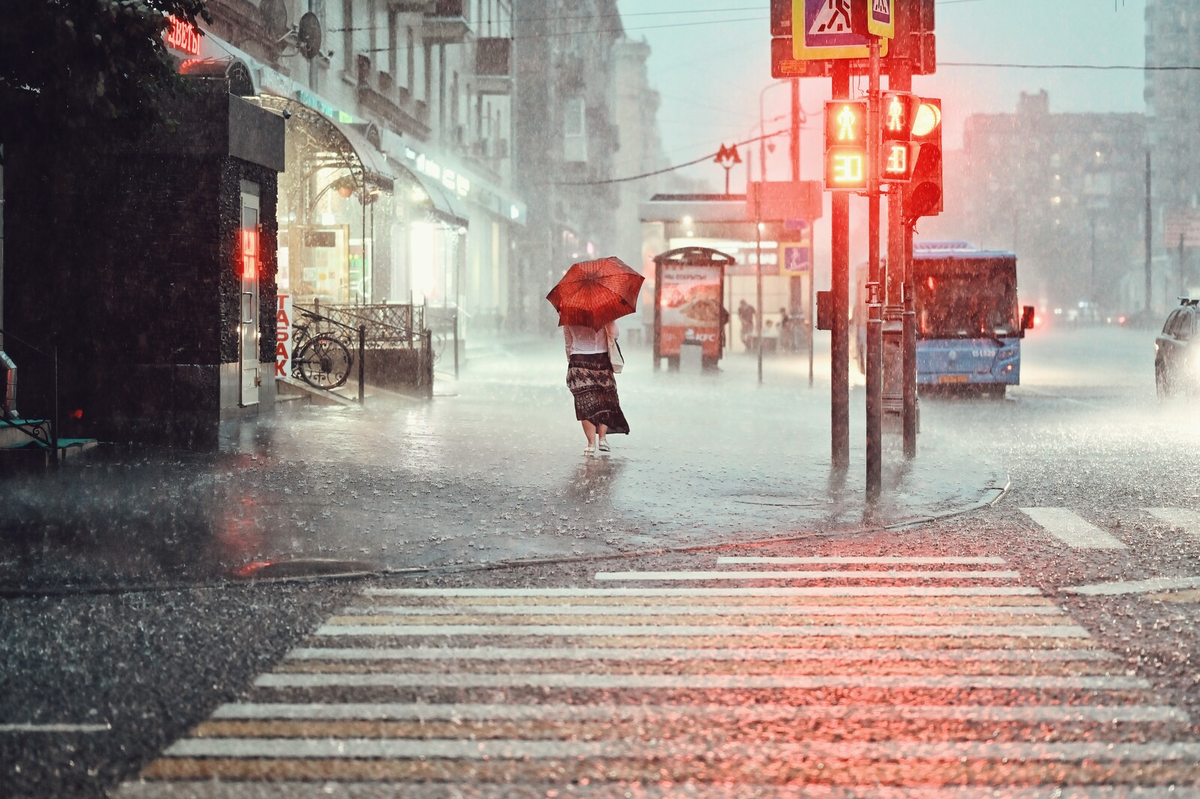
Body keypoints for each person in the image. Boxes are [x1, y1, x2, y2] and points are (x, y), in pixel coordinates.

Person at [564, 320, 630, 456]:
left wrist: (572, 358)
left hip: (578, 360)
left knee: (585, 402)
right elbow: (614, 333)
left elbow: (568, 342)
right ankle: (602, 439)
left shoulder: (570, 315)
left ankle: (590, 445)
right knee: (604, 399)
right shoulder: (604, 314)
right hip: (600, 358)